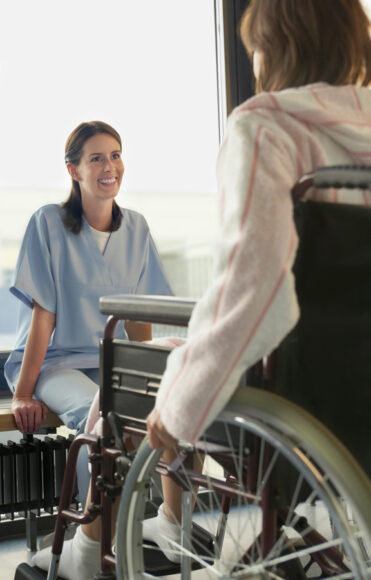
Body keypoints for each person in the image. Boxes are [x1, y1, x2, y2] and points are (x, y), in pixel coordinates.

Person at [32, 1, 371, 578]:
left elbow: (255, 288)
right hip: (357, 385)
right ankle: (166, 521)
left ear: (274, 48)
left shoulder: (267, 127)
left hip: (295, 386)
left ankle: (88, 552)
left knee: (125, 380)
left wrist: (182, 404)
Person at [5, 120, 172, 505]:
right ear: (73, 170)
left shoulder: (136, 228)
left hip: (111, 362)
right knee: (99, 421)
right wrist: (24, 395)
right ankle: (91, 533)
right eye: (96, 158)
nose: (109, 166)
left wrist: (145, 379)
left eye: (115, 155)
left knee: (161, 418)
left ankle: (152, 525)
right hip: (57, 364)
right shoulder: (47, 223)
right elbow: (43, 317)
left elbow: (138, 316)